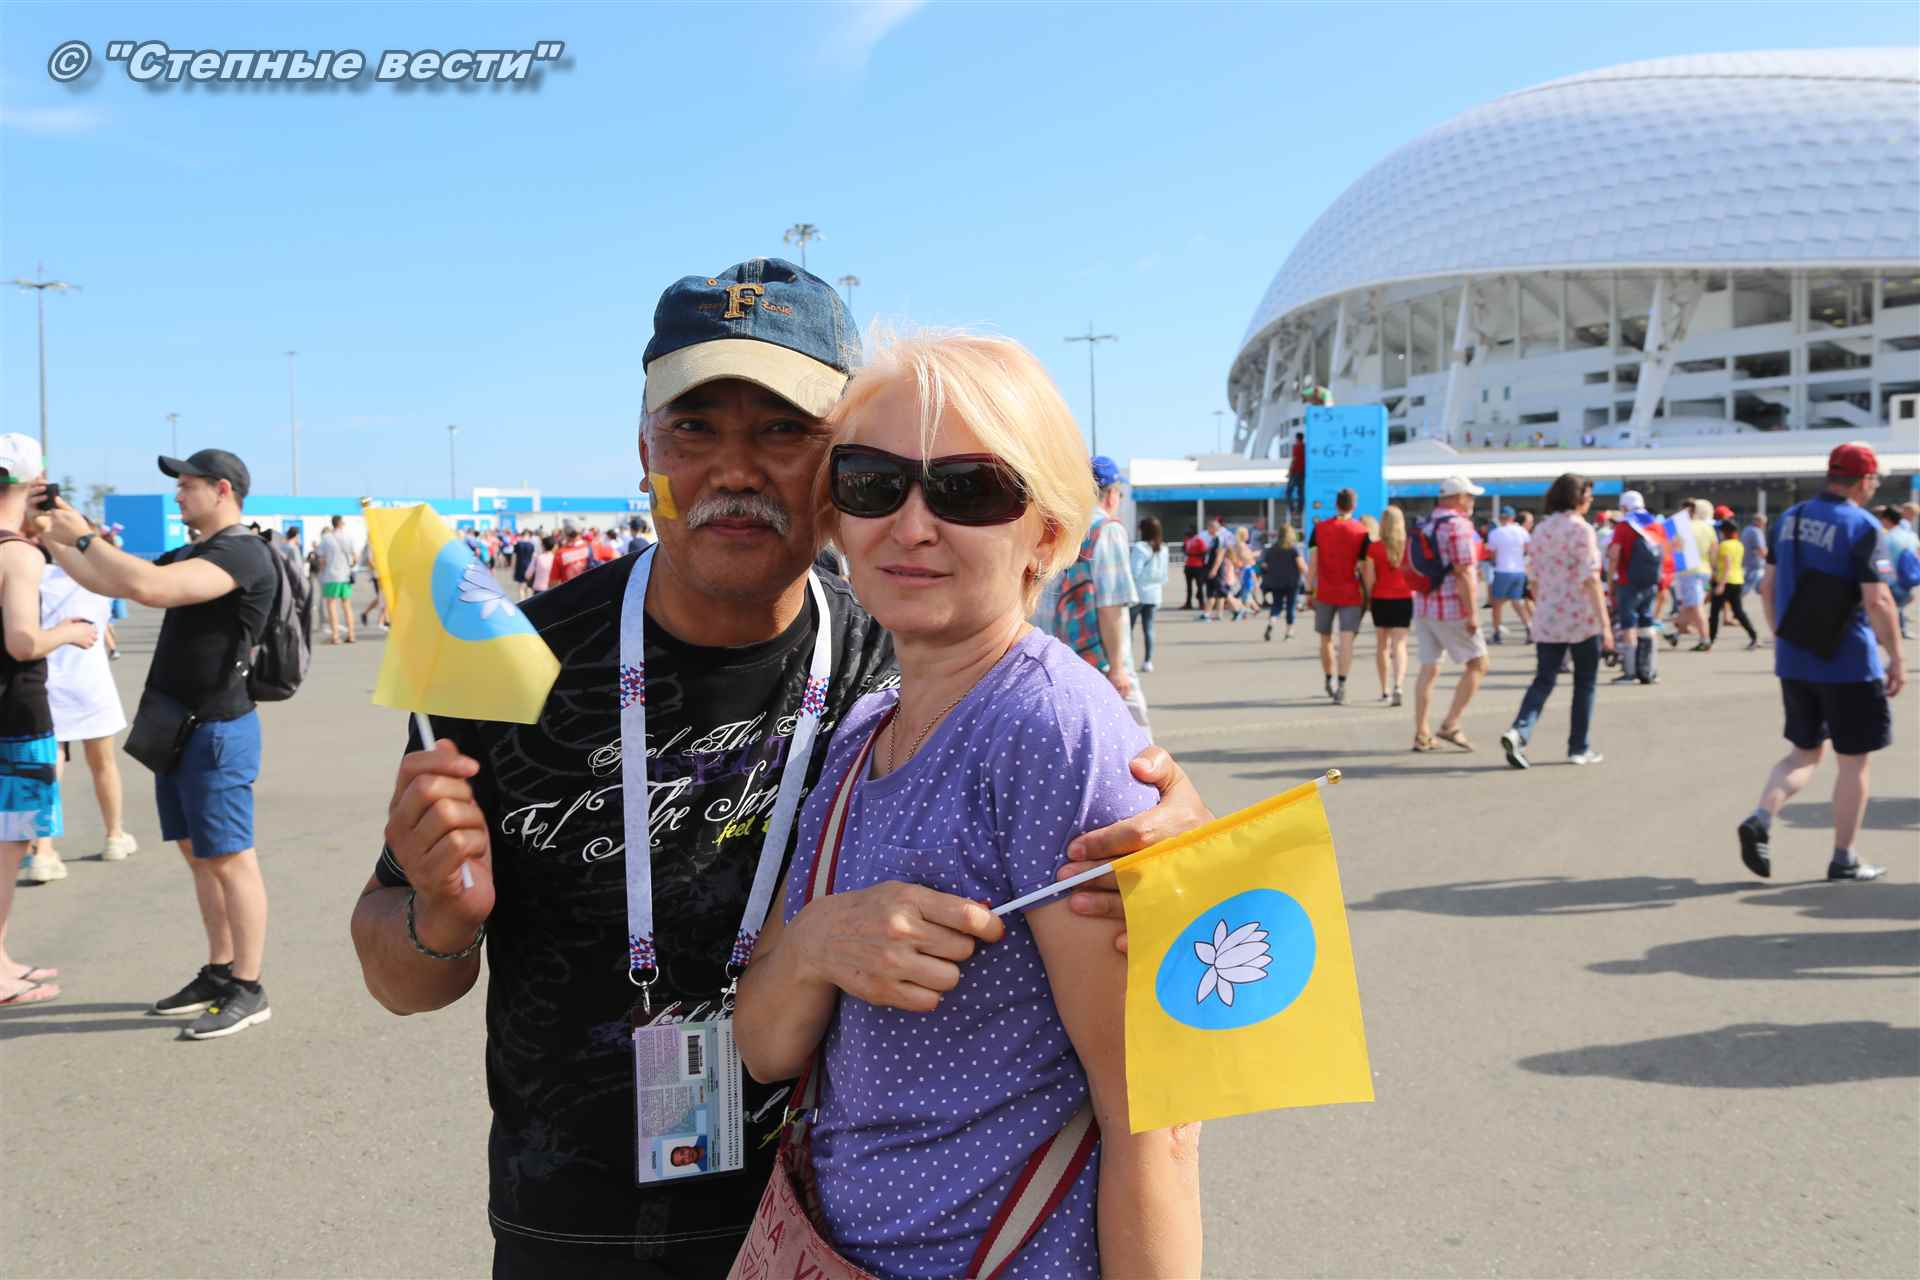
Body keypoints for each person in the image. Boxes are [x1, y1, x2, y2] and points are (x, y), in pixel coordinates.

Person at [348, 260, 1209, 1278]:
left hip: (823, 1231)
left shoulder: (893, 657)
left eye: (784, 431)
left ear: (829, 468)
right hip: (570, 1230)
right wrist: (440, 918)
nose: (737, 469)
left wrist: (1186, 844)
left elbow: (1156, 1080)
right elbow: (398, 973)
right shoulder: (510, 670)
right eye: (693, 428)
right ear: (645, 450)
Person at [734, 329, 1202, 1279]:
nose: (911, 526)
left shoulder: (1051, 733)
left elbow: (1156, 1123)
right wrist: (819, 941)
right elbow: (766, 1045)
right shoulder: (865, 728)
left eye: (970, 489)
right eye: (873, 482)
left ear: (1049, 535)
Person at [36, 448, 279, 1038]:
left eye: (187, 485)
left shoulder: (243, 552)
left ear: (222, 489)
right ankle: (220, 971)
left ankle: (249, 987)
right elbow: (106, 577)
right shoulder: (196, 550)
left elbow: (149, 587)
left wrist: (82, 535)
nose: (177, 495)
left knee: (231, 858)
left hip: (218, 729)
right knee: (200, 856)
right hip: (180, 726)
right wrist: (52, 534)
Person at [1738, 442, 1904, 884]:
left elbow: (1768, 587)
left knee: (1803, 753)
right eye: (1874, 480)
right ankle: (1843, 857)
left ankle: (1760, 817)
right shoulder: (1863, 525)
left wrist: (1781, 636)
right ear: (1863, 480)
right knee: (1853, 762)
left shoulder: (1789, 519)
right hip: (1848, 663)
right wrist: (1897, 657)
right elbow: (1877, 599)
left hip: (1795, 659)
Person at [0, 435, 98, 1005]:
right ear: (35, 482)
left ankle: (3, 959)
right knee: (9, 846)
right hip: (16, 717)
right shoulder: (18, 554)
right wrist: (69, 632)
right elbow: (22, 641)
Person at [22, 545, 136, 881]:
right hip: (91, 681)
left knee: (48, 766)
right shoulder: (97, 578)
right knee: (103, 763)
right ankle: (114, 836)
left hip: (45, 681)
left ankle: (42, 850)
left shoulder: (31, 575)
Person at [1498, 473, 1613, 769]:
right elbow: (1591, 579)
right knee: (1584, 683)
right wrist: (1606, 624)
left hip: (1548, 616)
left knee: (1544, 679)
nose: (1591, 501)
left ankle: (1519, 730)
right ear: (1578, 497)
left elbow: (1534, 579)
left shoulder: (1541, 529)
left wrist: (1546, 603)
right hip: (1581, 617)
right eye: (1588, 496)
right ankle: (1578, 747)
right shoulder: (1582, 530)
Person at [1040, 456, 1150, 733]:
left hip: (1059, 658)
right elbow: (1111, 605)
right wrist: (1117, 667)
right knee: (1136, 743)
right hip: (1099, 659)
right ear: (1111, 494)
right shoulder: (1107, 531)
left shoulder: (1058, 528)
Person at [1412, 476, 1489, 751]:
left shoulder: (1425, 524)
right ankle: (1451, 723)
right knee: (1479, 662)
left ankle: (1422, 732)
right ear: (1458, 498)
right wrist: (1473, 613)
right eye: (1470, 496)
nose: (1472, 501)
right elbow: (1464, 572)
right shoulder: (1458, 526)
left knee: (1429, 668)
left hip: (1424, 604)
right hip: (1450, 606)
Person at [1306, 488, 1369, 704]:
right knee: (1346, 639)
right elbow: (1363, 567)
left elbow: (1313, 563)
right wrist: (1369, 594)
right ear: (1354, 506)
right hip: (1350, 592)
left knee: (1325, 638)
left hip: (1325, 591)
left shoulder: (1319, 529)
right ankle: (1342, 685)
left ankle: (1328, 678)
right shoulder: (1361, 531)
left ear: (1336, 504)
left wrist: (1308, 589)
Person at [1608, 490, 1667, 686]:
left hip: (1628, 582)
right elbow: (1665, 552)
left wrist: (1610, 581)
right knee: (1647, 624)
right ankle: (1649, 670)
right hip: (1650, 582)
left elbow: (1615, 554)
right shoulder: (1655, 524)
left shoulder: (1624, 525)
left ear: (1624, 506)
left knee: (1628, 626)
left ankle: (1630, 672)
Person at [1362, 506, 1417, 706]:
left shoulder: (1374, 548)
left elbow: (1369, 579)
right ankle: (1399, 686)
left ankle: (1385, 689)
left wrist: (1368, 599)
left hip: (1381, 598)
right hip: (1404, 598)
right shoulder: (1408, 547)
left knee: (1382, 645)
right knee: (1400, 644)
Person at [1667, 498, 1715, 651]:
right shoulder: (1708, 527)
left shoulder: (1683, 527)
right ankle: (1675, 634)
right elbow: (1714, 550)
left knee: (1696, 606)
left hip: (1689, 572)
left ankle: (1705, 639)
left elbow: (1672, 548)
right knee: (1689, 605)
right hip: (1705, 571)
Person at [1706, 518, 1758, 650]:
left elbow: (1727, 565)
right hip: (1737, 580)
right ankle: (1753, 635)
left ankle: (1710, 640)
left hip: (1725, 581)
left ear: (1724, 532)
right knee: (1738, 612)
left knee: (1714, 613)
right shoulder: (1739, 545)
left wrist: (1721, 584)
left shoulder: (1724, 545)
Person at [1486, 506, 1533, 644]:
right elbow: (1528, 550)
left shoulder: (1495, 533)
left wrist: (1494, 562)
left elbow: (1492, 555)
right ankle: (1530, 629)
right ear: (1513, 518)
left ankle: (1497, 634)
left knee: (1497, 604)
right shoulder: (1522, 531)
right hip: (1519, 571)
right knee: (1517, 602)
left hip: (1502, 571)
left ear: (1501, 518)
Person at [1129, 516, 1169, 673]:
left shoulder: (1140, 547)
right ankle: (1148, 661)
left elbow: (1134, 571)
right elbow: (1164, 575)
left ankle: (1127, 660)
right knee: (1149, 629)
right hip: (1154, 594)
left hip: (1138, 593)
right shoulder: (1164, 548)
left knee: (1128, 629)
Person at [1259, 523, 1306, 641]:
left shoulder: (1271, 549)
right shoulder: (1293, 549)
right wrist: (1307, 574)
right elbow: (1301, 566)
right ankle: (1289, 632)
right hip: (1292, 582)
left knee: (1276, 605)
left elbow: (1265, 565)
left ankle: (1271, 623)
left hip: (1276, 582)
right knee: (1291, 606)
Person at [1877, 505, 1917, 639]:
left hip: (1893, 580)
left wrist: (1883, 581)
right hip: (1909, 579)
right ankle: (1901, 630)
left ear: (1886, 520)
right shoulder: (1911, 535)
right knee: (1898, 606)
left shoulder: (1887, 538)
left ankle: (1889, 634)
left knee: (1889, 607)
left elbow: (1882, 562)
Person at [316, 514, 356, 645]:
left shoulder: (326, 538)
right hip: (346, 576)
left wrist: (321, 572)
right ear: (341, 523)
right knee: (347, 605)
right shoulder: (349, 537)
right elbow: (355, 558)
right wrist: (348, 566)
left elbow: (322, 560)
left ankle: (335, 636)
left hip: (331, 575)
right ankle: (351, 634)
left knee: (332, 605)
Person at [358, 537, 389, 632]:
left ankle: (381, 618)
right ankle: (382, 620)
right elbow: (370, 561)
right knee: (385, 597)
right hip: (378, 575)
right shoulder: (371, 545)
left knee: (382, 597)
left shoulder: (377, 544)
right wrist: (380, 571)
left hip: (380, 574)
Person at [1180, 526, 1208, 609]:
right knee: (1189, 586)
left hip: (1198, 566)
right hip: (1188, 565)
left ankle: (1201, 603)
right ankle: (1188, 603)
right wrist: (1186, 551)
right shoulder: (1187, 540)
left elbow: (1204, 552)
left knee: (1199, 585)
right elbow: (1183, 549)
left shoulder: (1199, 540)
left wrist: (1193, 555)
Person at [1285, 430, 1306, 521]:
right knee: (1301, 493)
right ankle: (1300, 511)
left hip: (1296, 472)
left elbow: (1294, 460)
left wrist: (1289, 472)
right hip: (1303, 472)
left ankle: (1293, 510)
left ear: (1297, 439)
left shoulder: (1296, 447)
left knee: (1288, 492)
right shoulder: (1305, 447)